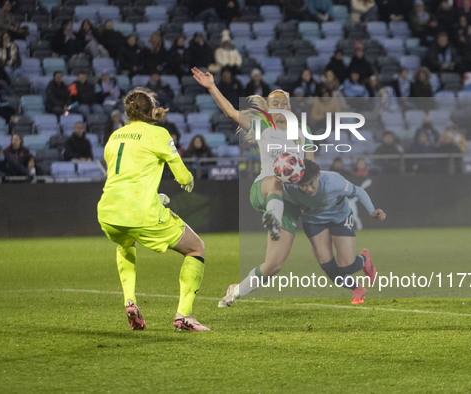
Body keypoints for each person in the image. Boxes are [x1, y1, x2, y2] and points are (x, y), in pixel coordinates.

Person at [191, 67, 315, 308]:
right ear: (269, 109)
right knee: (278, 178)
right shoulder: (263, 128)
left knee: (273, 266)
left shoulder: (304, 132)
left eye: (285, 103)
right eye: (276, 103)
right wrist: (211, 87)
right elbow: (230, 112)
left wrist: (308, 187)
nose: (282, 106)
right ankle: (272, 218)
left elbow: (311, 170)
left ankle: (235, 291)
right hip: (264, 189)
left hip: (289, 204)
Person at [97, 87, 209, 331]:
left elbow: (123, 178)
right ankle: (184, 316)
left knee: (126, 244)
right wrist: (189, 181)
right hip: (141, 211)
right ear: (150, 110)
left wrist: (152, 193)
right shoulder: (158, 134)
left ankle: (130, 301)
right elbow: (182, 176)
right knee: (196, 248)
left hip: (108, 210)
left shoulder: (115, 137)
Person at [281, 160, 385, 304]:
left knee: (347, 266)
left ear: (318, 175)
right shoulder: (290, 188)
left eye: (311, 183)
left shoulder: (333, 181)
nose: (309, 189)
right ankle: (357, 288)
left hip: (340, 218)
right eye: (304, 186)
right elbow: (281, 202)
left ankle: (364, 259)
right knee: (328, 268)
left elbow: (358, 191)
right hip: (313, 221)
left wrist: (372, 211)